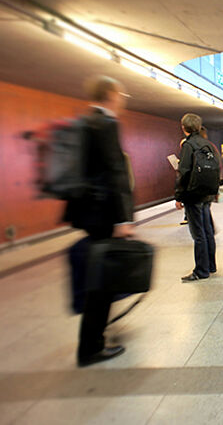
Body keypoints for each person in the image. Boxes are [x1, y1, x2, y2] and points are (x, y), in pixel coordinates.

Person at [64, 75, 134, 366]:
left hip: (87, 213)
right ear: (111, 94)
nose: (122, 101)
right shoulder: (106, 123)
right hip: (104, 215)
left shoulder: (83, 122)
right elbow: (115, 173)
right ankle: (92, 347)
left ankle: (92, 341)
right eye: (121, 95)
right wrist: (122, 219)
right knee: (102, 283)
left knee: (98, 277)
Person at [175, 113, 219, 282]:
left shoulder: (188, 145)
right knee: (207, 231)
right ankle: (211, 265)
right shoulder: (207, 144)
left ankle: (201, 270)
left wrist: (179, 196)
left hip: (193, 194)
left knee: (198, 233)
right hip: (206, 193)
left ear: (183, 127)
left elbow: (184, 172)